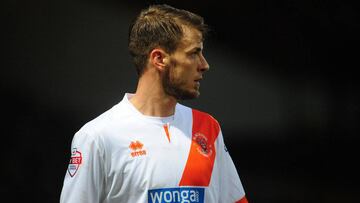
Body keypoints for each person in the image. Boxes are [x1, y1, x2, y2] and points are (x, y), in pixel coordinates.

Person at [60, 4, 248, 203]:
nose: (204, 65)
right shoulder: (98, 136)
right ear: (159, 58)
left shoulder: (208, 128)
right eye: (194, 53)